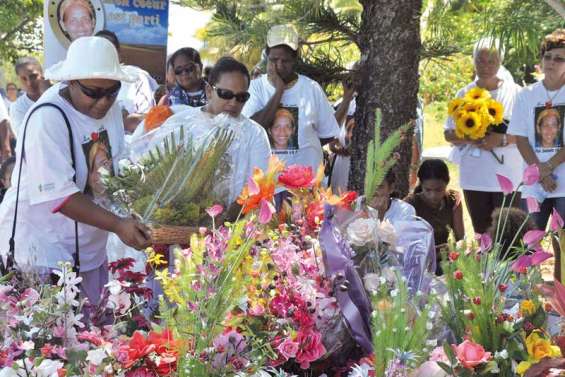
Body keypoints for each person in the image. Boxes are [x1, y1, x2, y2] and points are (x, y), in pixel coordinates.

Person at [0, 36, 152, 306]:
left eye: (112, 91)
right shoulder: (47, 118)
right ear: (70, 82)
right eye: (93, 92)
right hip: (43, 252)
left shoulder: (112, 110)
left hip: (89, 249)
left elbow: (113, 170)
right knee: (53, 341)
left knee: (93, 340)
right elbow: (62, 197)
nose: (104, 101)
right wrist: (118, 225)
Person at [444, 38, 523, 235]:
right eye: (481, 60)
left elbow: (528, 133)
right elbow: (448, 133)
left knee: (508, 232)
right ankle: (486, 266)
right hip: (475, 176)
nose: (486, 66)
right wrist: (472, 136)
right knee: (483, 232)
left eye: (492, 61)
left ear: (501, 61)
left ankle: (510, 267)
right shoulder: (464, 93)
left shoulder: (516, 93)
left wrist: (501, 139)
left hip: (508, 174)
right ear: (474, 60)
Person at [242, 24, 340, 172]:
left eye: (285, 61)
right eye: (274, 60)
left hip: (305, 184)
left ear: (295, 58)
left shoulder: (311, 88)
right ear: (267, 57)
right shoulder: (255, 88)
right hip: (268, 186)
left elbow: (328, 134)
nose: (279, 66)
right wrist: (279, 91)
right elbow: (253, 129)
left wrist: (304, 151)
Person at [508, 28, 565, 280]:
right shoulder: (526, 94)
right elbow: (520, 137)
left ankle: (561, 298)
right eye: (548, 56)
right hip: (534, 183)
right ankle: (526, 298)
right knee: (528, 240)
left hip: (562, 181)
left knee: (562, 246)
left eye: (559, 58)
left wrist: (549, 167)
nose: (552, 63)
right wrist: (539, 171)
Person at [405, 159, 464, 273]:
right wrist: (430, 251)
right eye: (428, 190)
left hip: (445, 258)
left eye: (438, 190)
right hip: (419, 262)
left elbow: (461, 239)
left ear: (447, 183)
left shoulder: (452, 201)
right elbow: (407, 245)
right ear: (421, 185)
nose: (433, 195)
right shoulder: (411, 204)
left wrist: (451, 248)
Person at [95, 30, 158, 133]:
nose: (103, 55)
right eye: (98, 51)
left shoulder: (137, 78)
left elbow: (149, 120)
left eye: (108, 50)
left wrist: (123, 120)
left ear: (118, 54)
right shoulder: (82, 81)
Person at [10, 57, 50, 136]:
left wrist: (48, 94)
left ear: (42, 74)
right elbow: (28, 136)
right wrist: (46, 98)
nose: (29, 83)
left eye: (33, 76)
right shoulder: (17, 107)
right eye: (23, 78)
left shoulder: (59, 94)